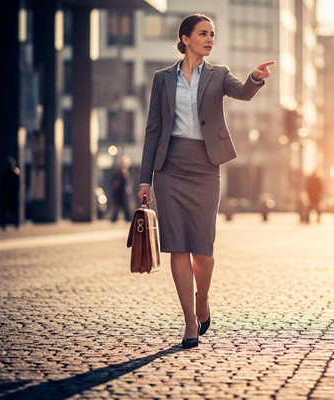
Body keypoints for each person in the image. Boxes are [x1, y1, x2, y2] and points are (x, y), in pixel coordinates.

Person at [137, 13, 275, 349]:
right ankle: (188, 321)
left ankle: (203, 301)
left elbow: (242, 93)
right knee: (178, 245)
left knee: (203, 247)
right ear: (185, 39)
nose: (209, 39)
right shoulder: (162, 79)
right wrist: (145, 181)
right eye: (202, 34)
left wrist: (255, 79)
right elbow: (154, 129)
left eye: (212, 34)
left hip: (205, 166)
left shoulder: (219, 75)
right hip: (169, 168)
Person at [107, 156, 133, 222]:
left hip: (122, 192)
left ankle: (124, 218)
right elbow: (116, 182)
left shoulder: (125, 172)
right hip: (119, 193)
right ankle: (117, 218)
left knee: (121, 206)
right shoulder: (119, 172)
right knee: (119, 206)